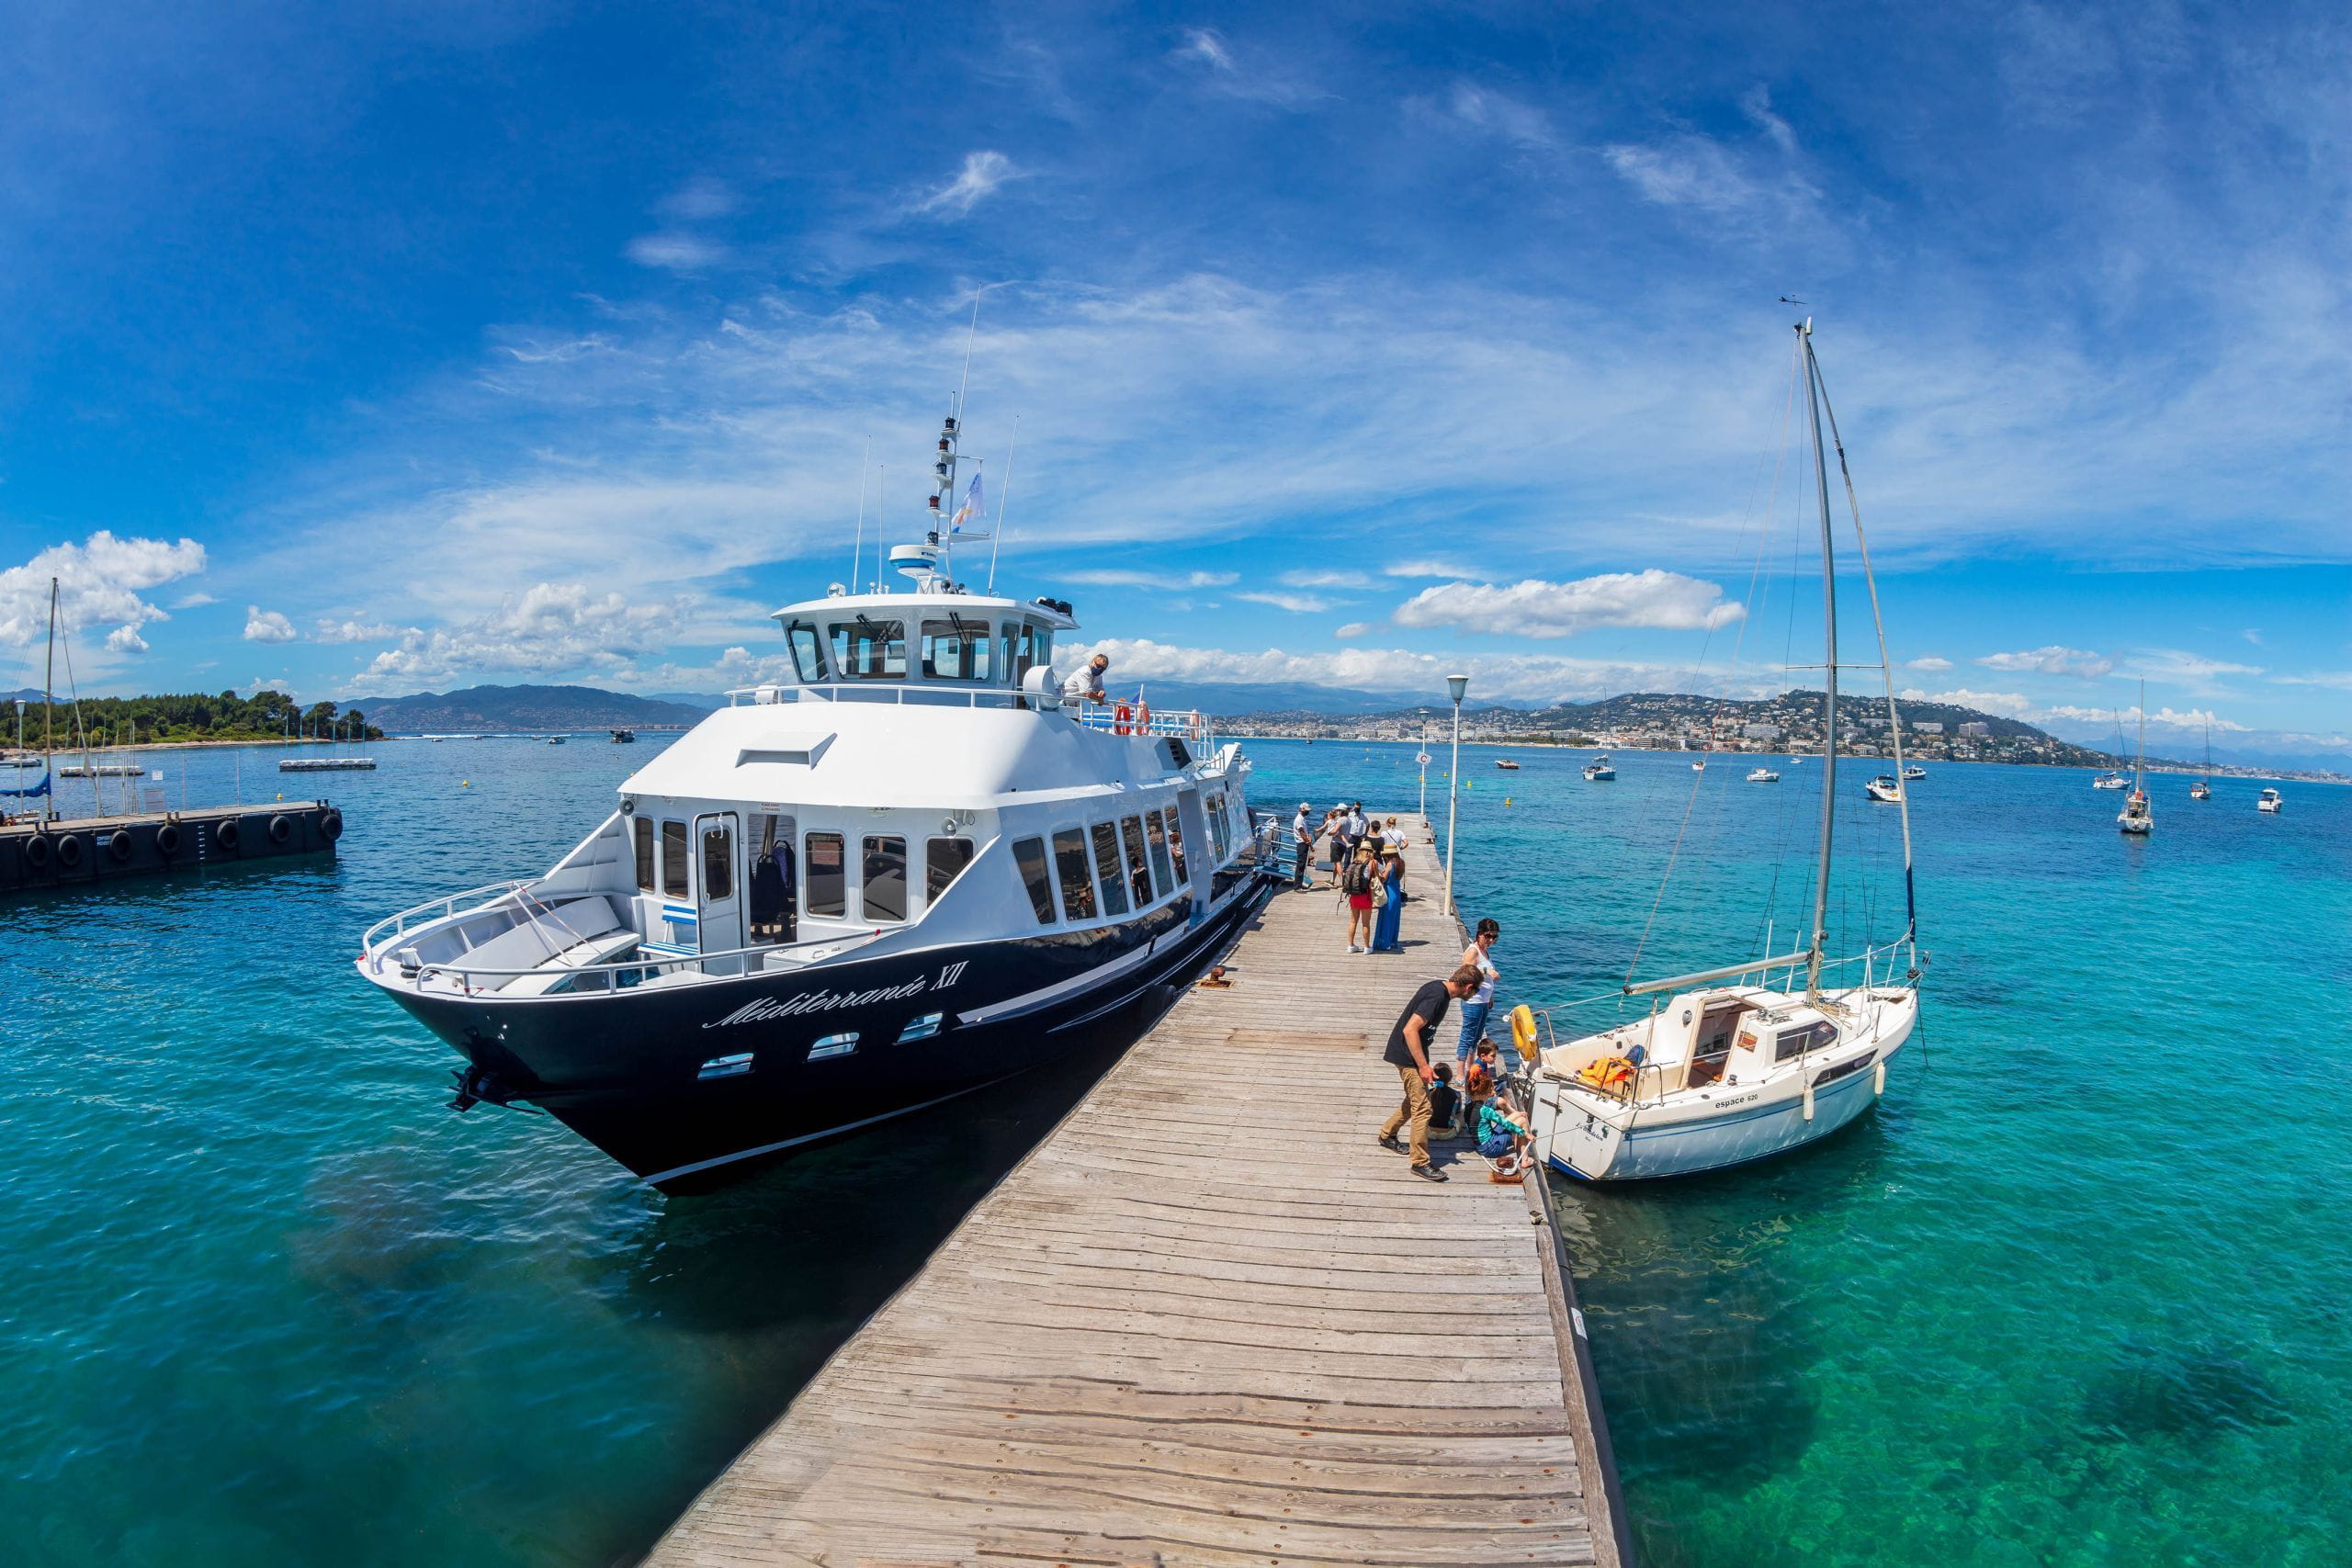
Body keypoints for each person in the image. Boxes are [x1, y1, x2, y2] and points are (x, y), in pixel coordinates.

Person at [1375, 964, 1484, 1182]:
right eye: (1475, 991)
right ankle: (1420, 1163)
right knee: (1424, 1108)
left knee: (1415, 1100)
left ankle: (1387, 1135)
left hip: (1409, 1055)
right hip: (1407, 1057)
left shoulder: (1439, 990)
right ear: (1469, 987)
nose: (1474, 996)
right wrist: (1424, 1066)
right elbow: (1410, 1029)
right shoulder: (1437, 996)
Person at [1454, 918, 1500, 1072]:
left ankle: (1470, 1068)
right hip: (1472, 1001)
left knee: (1476, 1038)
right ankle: (1460, 1073)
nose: (1491, 940)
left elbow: (1485, 981)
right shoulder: (1473, 951)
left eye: (1494, 937)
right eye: (1488, 936)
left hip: (1483, 1001)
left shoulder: (1484, 952)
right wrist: (1488, 971)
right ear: (1479, 934)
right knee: (1467, 1037)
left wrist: (1490, 996)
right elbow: (1466, 971)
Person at [1475, 1094, 1532, 1175]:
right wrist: (1526, 1134)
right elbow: (1505, 1124)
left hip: (1480, 1146)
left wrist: (1517, 1114)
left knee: (1517, 1115)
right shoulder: (1485, 1110)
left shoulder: (1469, 1107)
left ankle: (1518, 1144)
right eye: (1490, 1091)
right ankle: (1525, 1160)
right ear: (1483, 1093)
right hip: (1491, 1149)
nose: (1493, 1093)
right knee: (1522, 1120)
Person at [1341, 844, 1377, 953]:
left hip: (1354, 895)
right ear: (1369, 852)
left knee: (1353, 921)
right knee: (1366, 923)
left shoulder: (1354, 862)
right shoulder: (1372, 862)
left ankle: (1351, 946)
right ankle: (1367, 947)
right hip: (1365, 896)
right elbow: (1378, 878)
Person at [1370, 845, 1406, 952]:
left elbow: (1383, 879)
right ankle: (1392, 940)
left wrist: (1377, 872)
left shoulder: (1390, 864)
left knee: (1386, 918)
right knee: (1394, 918)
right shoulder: (1401, 863)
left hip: (1389, 893)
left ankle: (1385, 943)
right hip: (1396, 893)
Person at [1426, 1063, 1461, 1136]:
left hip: (1429, 1133)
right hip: (1448, 1134)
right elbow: (1457, 1111)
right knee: (1460, 1115)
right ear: (1450, 1078)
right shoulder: (1456, 1094)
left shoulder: (1428, 1093)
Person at [1290, 802, 1316, 889]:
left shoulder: (1302, 818)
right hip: (1301, 844)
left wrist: (1309, 841)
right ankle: (1297, 886)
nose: (1308, 812)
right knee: (1300, 865)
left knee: (1303, 864)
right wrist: (1308, 843)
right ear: (1301, 809)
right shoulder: (1299, 819)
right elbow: (1302, 832)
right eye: (1306, 810)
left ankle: (1300, 884)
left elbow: (1305, 832)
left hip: (1304, 843)